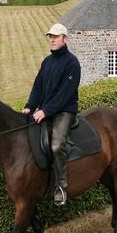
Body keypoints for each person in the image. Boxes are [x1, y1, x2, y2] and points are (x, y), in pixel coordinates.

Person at [23, 23, 81, 206]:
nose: (52, 40)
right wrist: (29, 107)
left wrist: (45, 111)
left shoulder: (72, 62)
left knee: (56, 145)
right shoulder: (47, 62)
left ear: (65, 39)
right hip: (45, 110)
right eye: (50, 37)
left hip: (64, 112)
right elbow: (37, 88)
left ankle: (61, 186)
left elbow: (65, 94)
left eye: (56, 37)